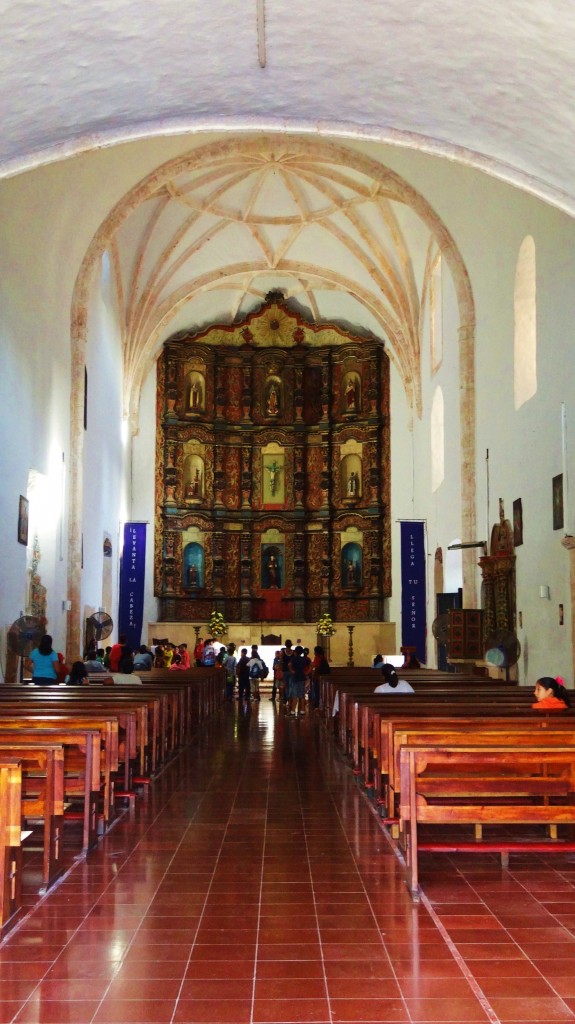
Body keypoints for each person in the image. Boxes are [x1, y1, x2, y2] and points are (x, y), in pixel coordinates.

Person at [287, 645, 310, 717]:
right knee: (302, 695)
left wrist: (292, 671)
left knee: (295, 695)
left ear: (295, 652)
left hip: (295, 677)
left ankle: (293, 711)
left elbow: (289, 665)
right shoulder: (304, 659)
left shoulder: (294, 659)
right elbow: (311, 665)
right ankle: (302, 710)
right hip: (302, 677)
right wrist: (307, 672)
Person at [310, 645, 330, 710]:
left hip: (317, 676)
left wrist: (311, 665)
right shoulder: (324, 657)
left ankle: (317, 704)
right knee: (321, 690)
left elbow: (315, 666)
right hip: (324, 676)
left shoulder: (317, 657)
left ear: (316, 652)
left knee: (317, 691)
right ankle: (322, 704)